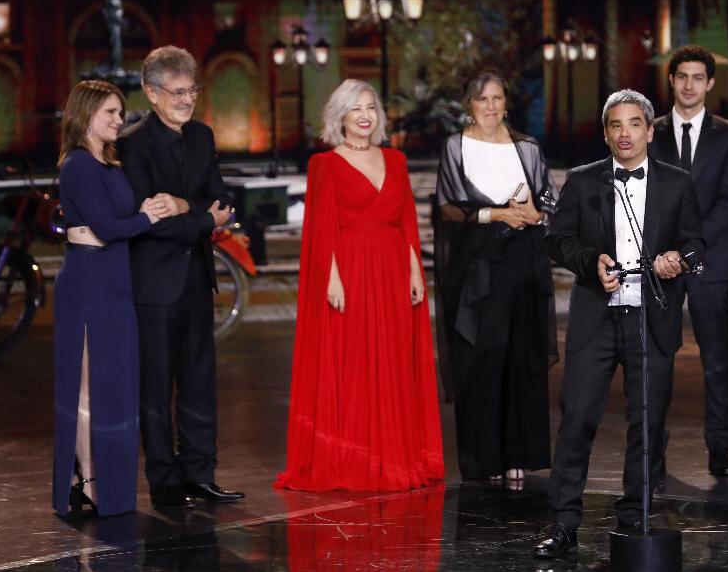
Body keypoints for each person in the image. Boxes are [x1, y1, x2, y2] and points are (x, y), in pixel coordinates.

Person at [533, 89, 704, 559]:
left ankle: (635, 519)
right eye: (615, 125)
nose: (625, 133)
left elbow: (696, 243)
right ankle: (564, 523)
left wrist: (677, 258)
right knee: (576, 419)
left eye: (634, 124)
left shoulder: (677, 183)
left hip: (652, 317)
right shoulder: (583, 180)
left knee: (648, 422)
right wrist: (591, 263)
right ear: (606, 134)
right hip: (597, 318)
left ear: (650, 131)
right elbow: (557, 240)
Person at [274, 79, 443, 491]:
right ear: (340, 116)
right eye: (356, 109)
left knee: (393, 360)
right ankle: (355, 457)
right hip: (349, 270)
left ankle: (393, 455)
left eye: (370, 107)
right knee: (354, 363)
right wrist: (331, 279)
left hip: (392, 269)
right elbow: (321, 229)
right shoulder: (325, 164)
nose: (365, 116)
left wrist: (414, 271)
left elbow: (406, 222)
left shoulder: (396, 160)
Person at [119, 46, 243, 509]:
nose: (187, 99)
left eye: (192, 90)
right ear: (151, 93)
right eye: (177, 92)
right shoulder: (132, 144)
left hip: (196, 277)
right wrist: (204, 218)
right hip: (154, 283)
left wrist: (185, 205)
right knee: (155, 385)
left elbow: (224, 202)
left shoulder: (203, 136)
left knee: (199, 380)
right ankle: (165, 481)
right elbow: (149, 221)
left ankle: (200, 474)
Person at [53, 80, 174, 516]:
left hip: (116, 281)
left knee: (115, 388)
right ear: (85, 114)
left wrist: (144, 214)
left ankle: (103, 486)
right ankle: (86, 483)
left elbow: (114, 224)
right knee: (88, 389)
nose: (119, 120)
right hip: (88, 285)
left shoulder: (110, 163)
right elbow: (106, 228)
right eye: (110, 112)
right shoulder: (79, 165)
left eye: (121, 113)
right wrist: (145, 218)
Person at [434, 71, 558, 482]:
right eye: (482, 98)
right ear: (469, 105)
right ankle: (484, 458)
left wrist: (535, 213)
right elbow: (448, 207)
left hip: (522, 264)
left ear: (506, 104)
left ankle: (520, 452)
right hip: (477, 269)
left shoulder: (527, 147)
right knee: (483, 358)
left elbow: (549, 201)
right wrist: (498, 214)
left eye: (497, 98)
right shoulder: (456, 147)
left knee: (520, 356)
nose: (490, 106)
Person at [651, 46, 728, 477]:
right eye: (682, 76)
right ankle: (653, 451)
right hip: (661, 263)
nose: (689, 85)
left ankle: (720, 449)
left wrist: (690, 250)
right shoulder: (649, 132)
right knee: (657, 358)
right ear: (671, 80)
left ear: (710, 83)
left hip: (712, 259)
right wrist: (668, 253)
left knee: (717, 359)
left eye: (697, 77)